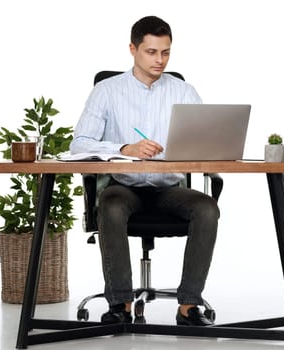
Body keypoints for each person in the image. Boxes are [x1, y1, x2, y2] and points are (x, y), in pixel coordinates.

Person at [70, 16, 219, 327]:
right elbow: (80, 145)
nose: (159, 60)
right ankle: (120, 303)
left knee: (207, 208)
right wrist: (125, 149)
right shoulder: (107, 91)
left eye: (165, 52)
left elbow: (206, 140)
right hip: (125, 188)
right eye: (151, 52)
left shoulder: (183, 91)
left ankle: (189, 306)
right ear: (132, 49)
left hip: (169, 189)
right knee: (109, 203)